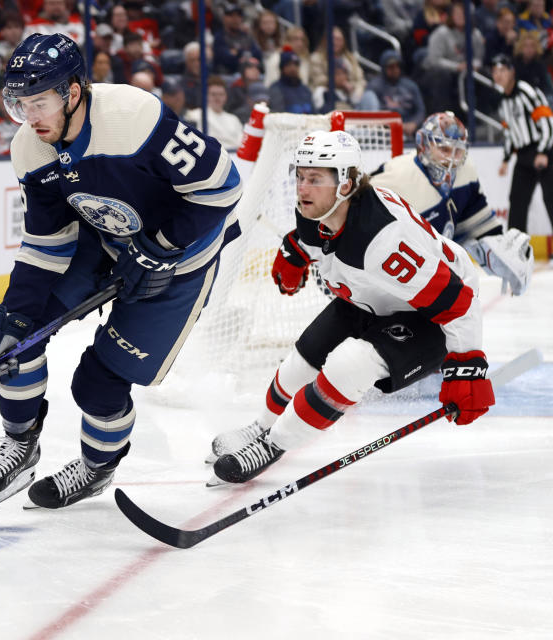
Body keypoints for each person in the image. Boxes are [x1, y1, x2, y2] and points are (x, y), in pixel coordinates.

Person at [0, 33, 243, 512]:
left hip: (180, 259)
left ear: (73, 92)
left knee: (97, 384)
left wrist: (160, 247)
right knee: (17, 333)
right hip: (104, 244)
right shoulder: (30, 150)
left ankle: (96, 467)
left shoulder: (134, 118)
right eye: (19, 105)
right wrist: (15, 315)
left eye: (40, 102)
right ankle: (20, 444)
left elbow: (222, 188)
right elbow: (46, 245)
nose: (30, 118)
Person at [209, 130, 493, 484]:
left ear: (345, 184)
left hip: (430, 315)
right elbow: (313, 237)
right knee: (303, 358)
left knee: (350, 364)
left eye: (315, 178)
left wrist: (468, 367)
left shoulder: (385, 241)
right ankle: (260, 428)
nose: (302, 187)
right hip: (374, 295)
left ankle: (273, 446)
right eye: (300, 176)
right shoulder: (319, 209)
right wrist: (295, 252)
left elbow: (457, 303)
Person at [372, 111, 534, 295]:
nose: (451, 159)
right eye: (444, 149)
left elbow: (478, 224)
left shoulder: (466, 172)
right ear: (424, 145)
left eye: (458, 151)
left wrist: (499, 250)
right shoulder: (395, 176)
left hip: (436, 278)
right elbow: (355, 209)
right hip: (394, 284)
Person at [491, 53, 553, 236]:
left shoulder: (525, 90)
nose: (498, 75)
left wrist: (543, 151)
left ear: (512, 72)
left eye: (502, 70)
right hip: (524, 155)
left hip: (544, 150)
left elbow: (548, 122)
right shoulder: (502, 99)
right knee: (517, 200)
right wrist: (506, 158)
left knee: (551, 198)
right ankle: (516, 249)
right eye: (495, 71)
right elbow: (510, 133)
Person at [368, 49, 426, 139]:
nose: (395, 70)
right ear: (384, 68)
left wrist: (414, 123)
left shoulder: (410, 85)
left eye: (397, 66)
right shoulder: (374, 87)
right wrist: (396, 125)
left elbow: (420, 110)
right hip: (385, 134)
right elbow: (373, 113)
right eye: (391, 67)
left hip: (410, 130)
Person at [186, 76, 244, 153]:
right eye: (213, 94)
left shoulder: (234, 119)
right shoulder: (195, 115)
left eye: (221, 94)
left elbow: (241, 142)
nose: (217, 98)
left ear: (226, 96)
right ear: (206, 96)